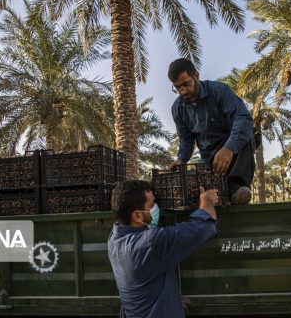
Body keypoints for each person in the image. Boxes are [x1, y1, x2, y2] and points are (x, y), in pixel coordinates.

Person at [108, 180, 218, 318]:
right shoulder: (149, 245)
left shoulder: (114, 238)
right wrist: (206, 201)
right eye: (152, 205)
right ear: (137, 215)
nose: (156, 208)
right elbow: (204, 228)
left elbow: (145, 229)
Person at [167, 58, 255, 205]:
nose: (182, 91)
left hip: (233, 149)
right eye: (177, 88)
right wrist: (181, 159)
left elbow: (243, 118)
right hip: (208, 158)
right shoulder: (177, 108)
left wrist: (229, 148)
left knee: (246, 133)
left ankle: (236, 190)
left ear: (196, 76)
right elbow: (186, 139)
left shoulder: (219, 91)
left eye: (186, 84)